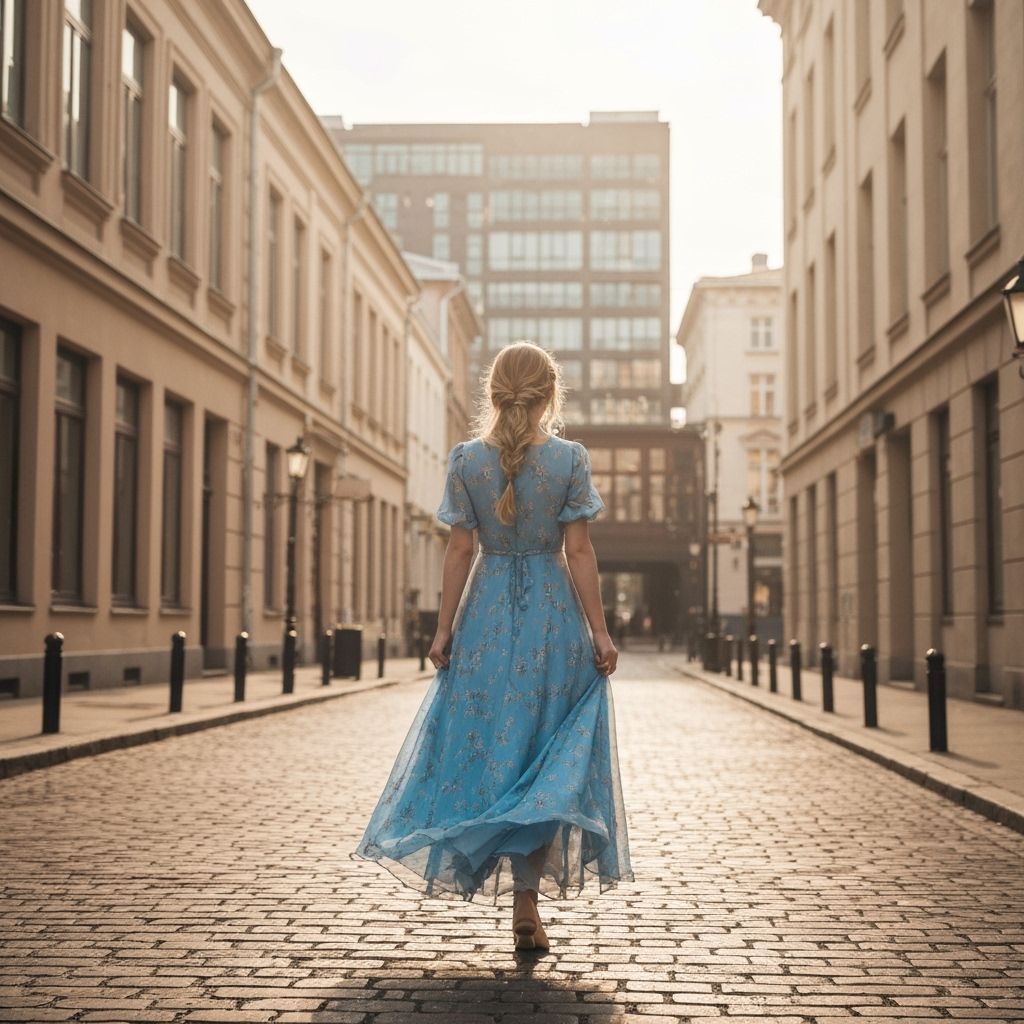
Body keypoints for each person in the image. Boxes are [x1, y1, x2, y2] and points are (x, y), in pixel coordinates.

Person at [352, 341, 634, 952]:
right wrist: (600, 630)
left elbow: (460, 549)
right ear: (550, 393)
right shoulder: (569, 459)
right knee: (544, 755)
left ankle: (485, 850)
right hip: (553, 621)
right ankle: (527, 899)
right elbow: (579, 550)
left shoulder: (466, 460)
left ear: (493, 392)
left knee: (488, 749)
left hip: (485, 619)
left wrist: (443, 628)